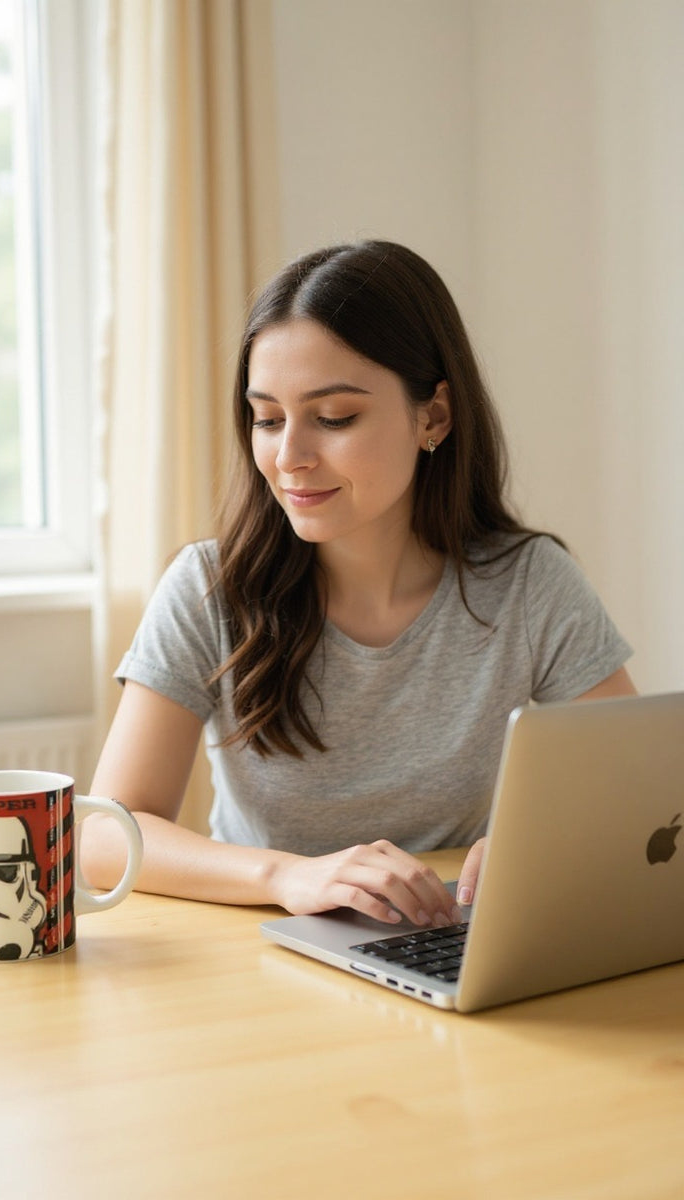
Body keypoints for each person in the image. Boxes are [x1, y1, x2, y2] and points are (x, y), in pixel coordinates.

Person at [81, 240, 635, 929]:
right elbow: (105, 838)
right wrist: (289, 875)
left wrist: (544, 843)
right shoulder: (209, 588)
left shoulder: (527, 585)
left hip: (448, 944)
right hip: (264, 949)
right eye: (268, 419)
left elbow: (637, 794)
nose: (289, 459)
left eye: (334, 418)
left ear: (433, 416)